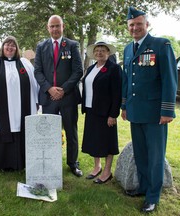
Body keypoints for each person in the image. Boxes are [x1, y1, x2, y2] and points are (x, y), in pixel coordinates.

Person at [121, 7, 177, 213]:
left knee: (155, 156)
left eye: (138, 24)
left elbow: (170, 80)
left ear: (147, 24)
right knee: (141, 154)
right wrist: (124, 106)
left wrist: (167, 110)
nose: (134, 28)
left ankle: (153, 196)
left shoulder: (161, 45)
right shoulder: (128, 49)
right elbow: (127, 81)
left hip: (155, 114)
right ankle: (143, 187)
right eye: (131, 25)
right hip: (135, 112)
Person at [0, 36, 39, 171]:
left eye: (13, 45)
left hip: (23, 107)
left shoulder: (25, 63)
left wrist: (36, 101)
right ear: (2, 47)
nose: (10, 48)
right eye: (7, 45)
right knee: (1, 127)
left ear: (16, 49)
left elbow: (35, 83)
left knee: (20, 128)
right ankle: (2, 163)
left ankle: (21, 162)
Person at [34, 15, 83, 177]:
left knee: (71, 131)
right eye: (52, 26)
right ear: (48, 28)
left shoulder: (72, 45)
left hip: (67, 97)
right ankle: (51, 161)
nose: (55, 29)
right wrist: (49, 89)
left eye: (57, 26)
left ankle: (72, 163)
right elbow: (38, 71)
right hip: (48, 98)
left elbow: (78, 71)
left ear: (63, 26)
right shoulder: (41, 47)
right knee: (49, 133)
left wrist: (63, 89)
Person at [81, 42, 122, 184]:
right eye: (97, 50)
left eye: (102, 50)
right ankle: (97, 166)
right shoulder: (91, 68)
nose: (99, 52)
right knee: (94, 140)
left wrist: (113, 114)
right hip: (91, 110)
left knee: (107, 142)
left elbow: (117, 94)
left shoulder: (114, 69)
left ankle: (107, 171)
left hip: (106, 112)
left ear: (108, 52)